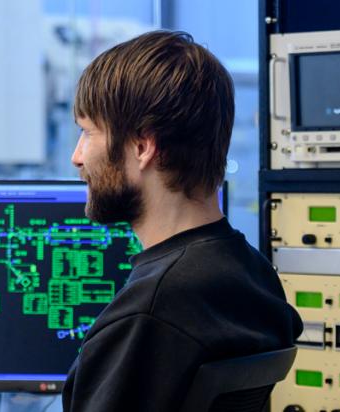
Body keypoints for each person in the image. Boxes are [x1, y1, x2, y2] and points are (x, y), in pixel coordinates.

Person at [62, 30, 303, 412]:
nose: (77, 156)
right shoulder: (254, 275)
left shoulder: (150, 315)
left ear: (142, 147)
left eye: (88, 131)